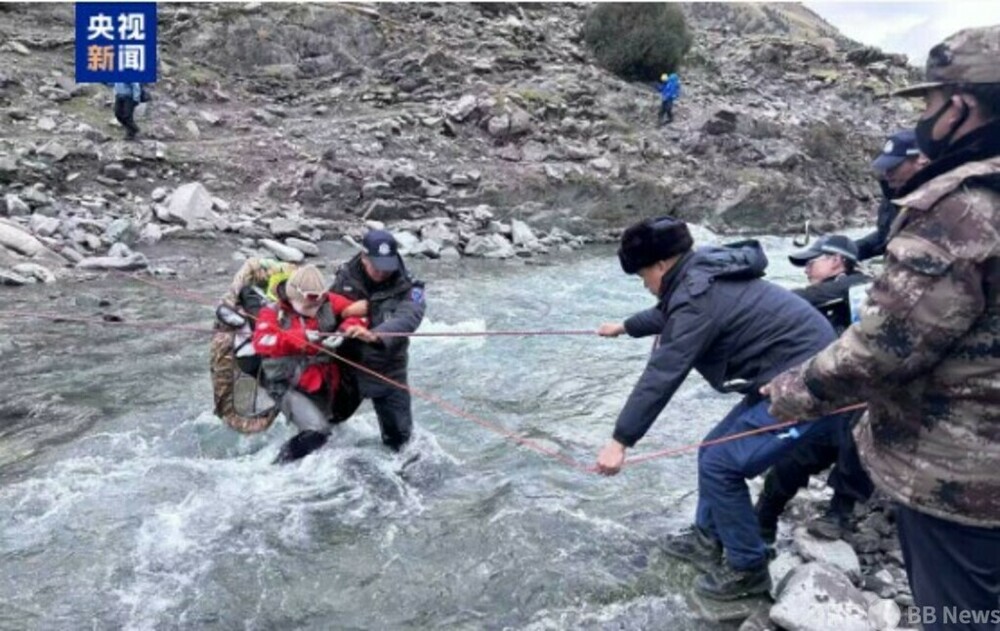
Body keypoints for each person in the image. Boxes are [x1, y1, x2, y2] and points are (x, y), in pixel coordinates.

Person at [763, 26, 1000, 631]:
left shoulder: (961, 207)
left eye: (929, 102)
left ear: (962, 105)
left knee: (964, 617)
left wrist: (790, 393)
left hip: (965, 474)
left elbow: (887, 348)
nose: (923, 117)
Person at [595, 217, 847, 601]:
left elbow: (662, 373)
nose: (644, 285)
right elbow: (669, 312)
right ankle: (708, 536)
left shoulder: (696, 297)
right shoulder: (702, 270)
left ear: (662, 264)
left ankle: (748, 568)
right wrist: (626, 327)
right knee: (712, 451)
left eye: (642, 275)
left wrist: (620, 440)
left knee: (722, 464)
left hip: (810, 386)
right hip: (783, 374)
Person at [755, 235, 874, 543]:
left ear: (837, 261)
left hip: (864, 400)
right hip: (826, 394)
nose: (806, 269)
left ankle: (841, 512)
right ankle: (763, 521)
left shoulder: (858, 286)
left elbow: (793, 301)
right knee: (793, 453)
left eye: (811, 262)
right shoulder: (825, 298)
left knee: (855, 438)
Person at [252, 264, 367, 463]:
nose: (314, 310)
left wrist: (345, 329)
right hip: (286, 385)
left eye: (317, 305)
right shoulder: (272, 312)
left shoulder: (331, 301)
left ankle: (299, 458)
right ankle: (276, 467)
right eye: (308, 306)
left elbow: (361, 314)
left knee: (326, 431)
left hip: (322, 382)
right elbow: (262, 342)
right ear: (292, 298)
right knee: (317, 432)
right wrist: (298, 338)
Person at [326, 229, 426, 452]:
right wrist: (344, 312)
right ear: (364, 257)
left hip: (388, 372)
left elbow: (408, 317)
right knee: (324, 430)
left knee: (401, 445)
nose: (382, 271)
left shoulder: (410, 286)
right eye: (376, 265)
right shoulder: (345, 276)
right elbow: (323, 311)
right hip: (348, 369)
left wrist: (376, 334)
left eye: (386, 265)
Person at [855, 129, 928, 261]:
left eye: (894, 166)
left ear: (920, 160)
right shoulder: (892, 195)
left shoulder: (939, 199)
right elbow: (884, 237)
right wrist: (850, 251)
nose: (887, 173)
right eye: (886, 167)